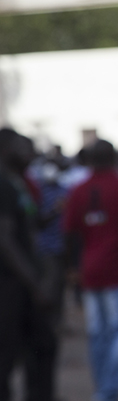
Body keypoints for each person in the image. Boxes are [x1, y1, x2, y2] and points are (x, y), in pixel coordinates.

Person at [63, 139, 118, 401]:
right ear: (113, 158)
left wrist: (73, 268)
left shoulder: (79, 189)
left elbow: (70, 234)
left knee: (97, 333)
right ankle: (108, 391)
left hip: (90, 270)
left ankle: (102, 387)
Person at [0, 128, 58, 401]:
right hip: (11, 286)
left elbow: (28, 228)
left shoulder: (18, 183)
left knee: (43, 346)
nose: (29, 154)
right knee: (7, 355)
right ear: (6, 149)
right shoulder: (2, 184)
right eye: (23, 148)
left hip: (23, 284)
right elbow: (5, 239)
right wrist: (35, 285)